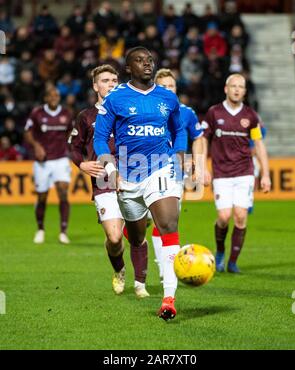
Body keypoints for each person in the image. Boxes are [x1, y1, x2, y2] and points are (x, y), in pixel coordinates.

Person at [93, 47, 186, 321]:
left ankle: (169, 298)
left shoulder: (168, 97)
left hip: (161, 168)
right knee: (136, 237)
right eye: (140, 61)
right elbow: (100, 138)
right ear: (128, 68)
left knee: (168, 225)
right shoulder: (115, 99)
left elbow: (179, 129)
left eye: (150, 60)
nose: (147, 64)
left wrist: (179, 154)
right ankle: (132, 242)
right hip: (127, 176)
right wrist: (110, 168)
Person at [69, 64, 149, 298]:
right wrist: (82, 164)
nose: (111, 84)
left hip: (134, 179)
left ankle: (141, 284)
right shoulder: (86, 117)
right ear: (95, 86)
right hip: (104, 182)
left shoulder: (130, 111)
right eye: (105, 80)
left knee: (138, 236)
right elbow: (73, 147)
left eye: (114, 80)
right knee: (114, 239)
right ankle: (119, 270)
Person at [201, 73, 271, 273]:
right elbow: (203, 139)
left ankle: (232, 261)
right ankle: (221, 251)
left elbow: (258, 145)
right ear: (226, 88)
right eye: (234, 86)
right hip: (221, 172)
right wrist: (203, 166)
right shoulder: (214, 113)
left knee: (240, 216)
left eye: (241, 86)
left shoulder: (250, 116)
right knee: (223, 217)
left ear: (245, 92)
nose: (237, 89)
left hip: (244, 172)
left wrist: (265, 174)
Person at [151, 68, 203, 280]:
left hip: (175, 172)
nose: (168, 89)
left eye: (171, 86)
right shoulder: (148, 111)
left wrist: (198, 165)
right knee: (148, 220)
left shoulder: (187, 112)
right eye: (163, 86)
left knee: (166, 221)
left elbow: (198, 137)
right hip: (148, 168)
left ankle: (164, 268)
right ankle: (165, 268)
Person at [24, 87, 73, 244]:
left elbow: (72, 133)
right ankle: (40, 229)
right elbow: (27, 132)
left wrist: (72, 149)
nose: (54, 98)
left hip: (61, 159)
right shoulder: (37, 113)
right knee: (42, 196)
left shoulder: (66, 114)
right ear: (45, 98)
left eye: (57, 95)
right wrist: (36, 146)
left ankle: (63, 232)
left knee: (63, 192)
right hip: (42, 162)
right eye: (51, 95)